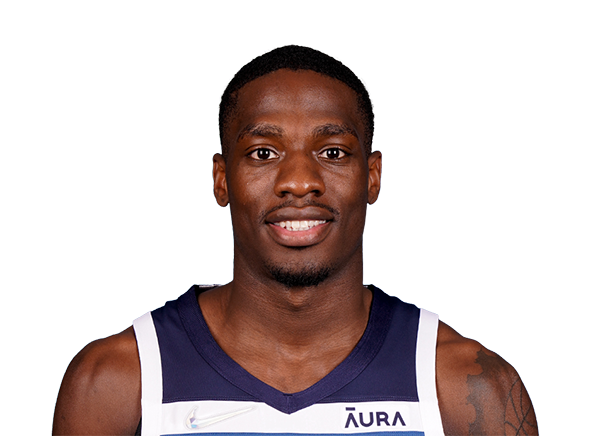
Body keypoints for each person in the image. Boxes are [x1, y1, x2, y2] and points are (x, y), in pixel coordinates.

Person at [53, 45, 539, 436]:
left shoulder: (467, 387)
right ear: (222, 179)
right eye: (263, 153)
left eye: (333, 152)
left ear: (372, 176)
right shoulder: (118, 380)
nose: (300, 181)